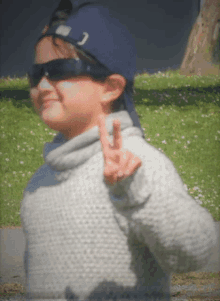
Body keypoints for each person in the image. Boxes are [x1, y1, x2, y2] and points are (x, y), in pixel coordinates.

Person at [20, 0, 217, 300]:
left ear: (111, 87)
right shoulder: (40, 182)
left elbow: (195, 252)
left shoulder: (137, 165)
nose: (43, 85)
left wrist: (136, 195)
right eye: (37, 74)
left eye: (60, 69)